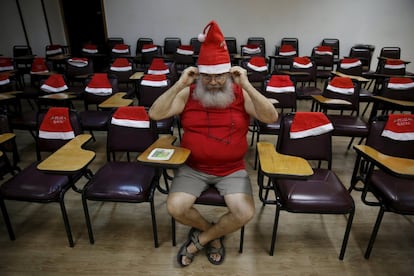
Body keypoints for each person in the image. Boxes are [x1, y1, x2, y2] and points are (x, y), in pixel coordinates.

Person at [149, 20, 278, 267]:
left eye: (219, 76)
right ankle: (213, 234)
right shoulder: (189, 93)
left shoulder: (240, 94)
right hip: (193, 167)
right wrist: (179, 83)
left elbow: (271, 117)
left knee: (245, 213)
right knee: (175, 207)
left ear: (229, 73)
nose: (214, 82)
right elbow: (155, 114)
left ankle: (202, 239)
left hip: (231, 169)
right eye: (207, 76)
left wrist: (248, 84)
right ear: (199, 75)